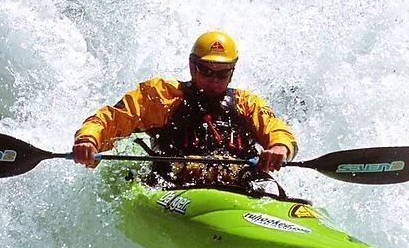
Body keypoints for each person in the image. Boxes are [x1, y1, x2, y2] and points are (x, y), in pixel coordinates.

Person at [72, 31, 296, 189]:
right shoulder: (161, 96)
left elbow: (278, 130)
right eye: (206, 71)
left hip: (241, 187)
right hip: (175, 187)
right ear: (192, 66)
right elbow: (110, 119)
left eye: (222, 74)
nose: (214, 81)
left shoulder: (247, 103)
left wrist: (279, 148)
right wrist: (89, 140)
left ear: (232, 72)